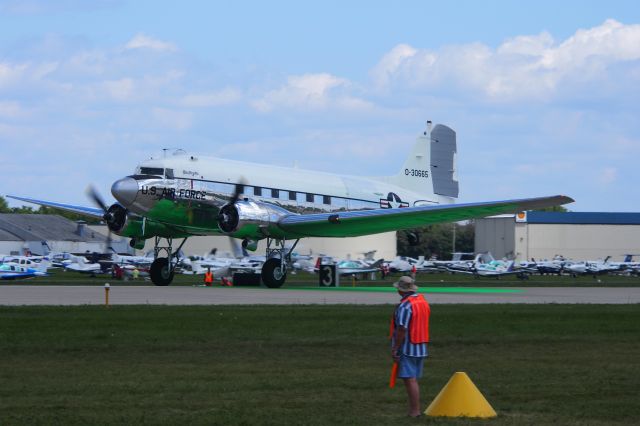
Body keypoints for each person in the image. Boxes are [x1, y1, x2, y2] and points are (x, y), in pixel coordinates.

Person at [390, 276, 431, 418]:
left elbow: (402, 328)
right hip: (421, 344)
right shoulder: (422, 301)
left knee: (410, 379)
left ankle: (415, 411)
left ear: (401, 290)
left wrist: (395, 347)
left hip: (408, 347)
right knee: (413, 379)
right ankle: (415, 410)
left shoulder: (406, 305)